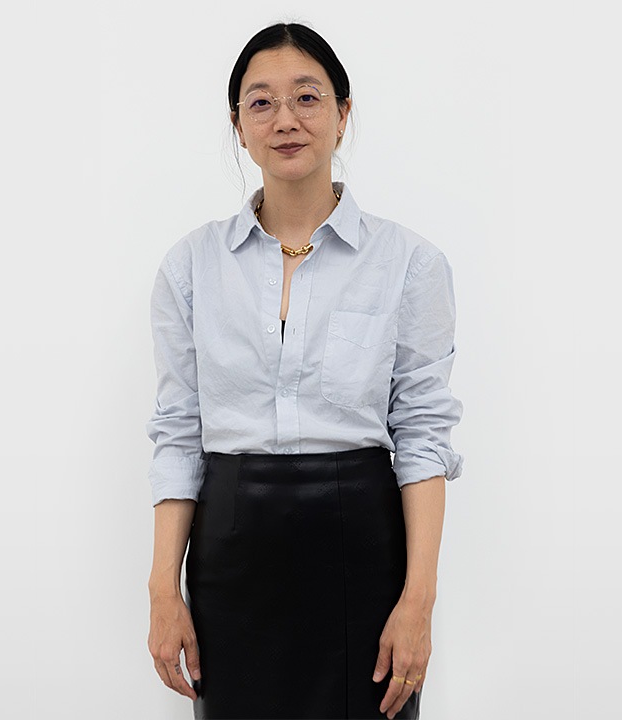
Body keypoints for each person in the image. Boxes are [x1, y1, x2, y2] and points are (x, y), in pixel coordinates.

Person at [144, 22, 464, 720]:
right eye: (260, 102)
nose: (285, 119)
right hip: (231, 552)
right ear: (238, 126)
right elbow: (178, 432)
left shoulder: (410, 265)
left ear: (344, 114)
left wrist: (419, 600)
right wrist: (164, 591)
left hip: (360, 547)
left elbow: (423, 435)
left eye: (308, 98)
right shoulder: (191, 268)